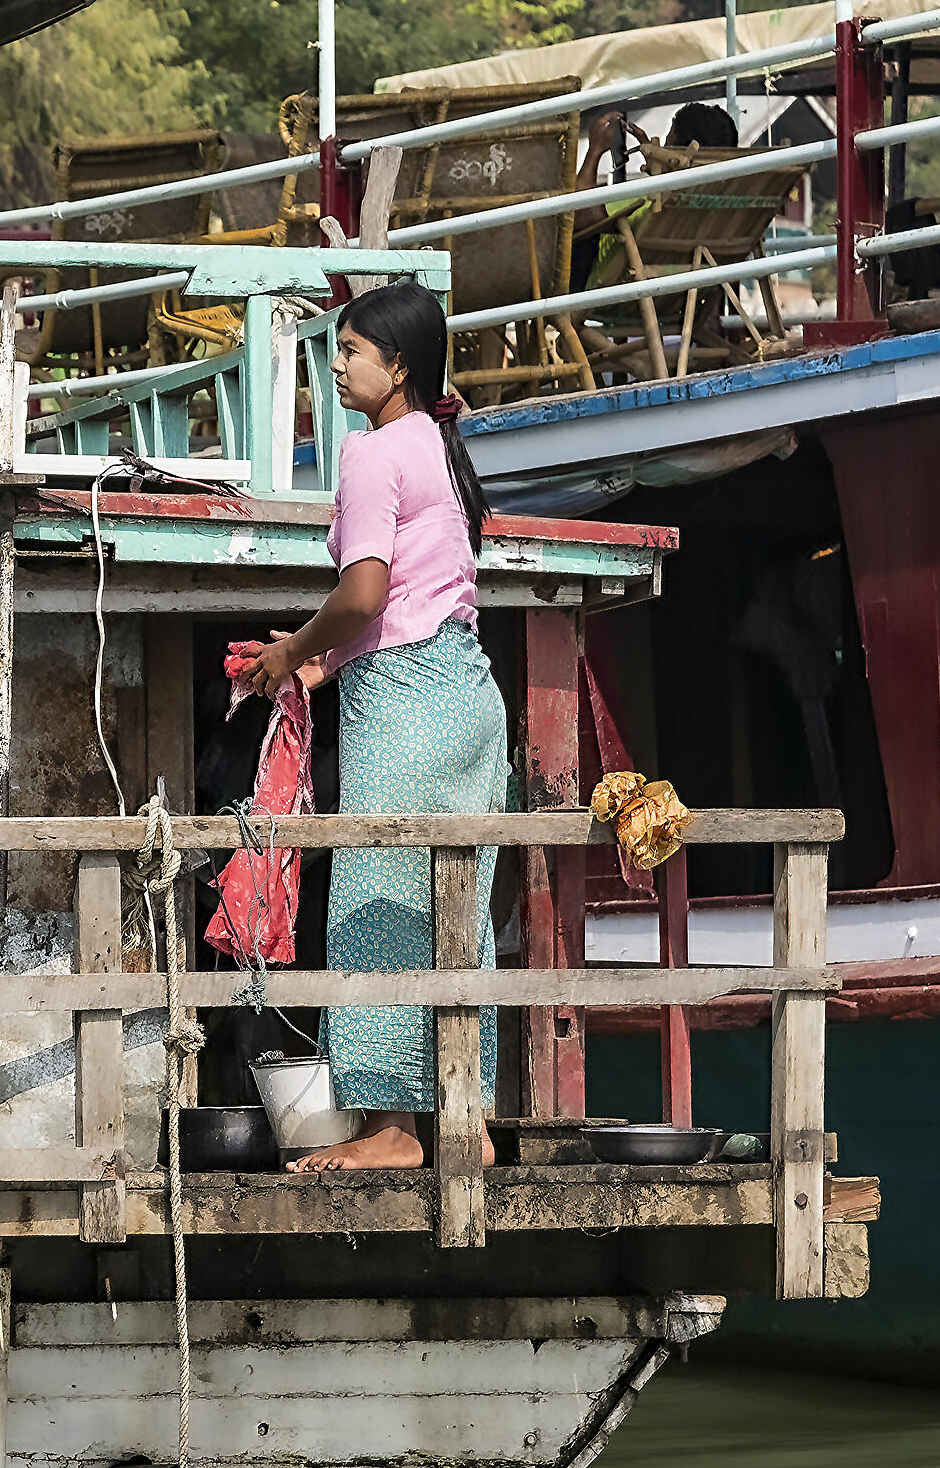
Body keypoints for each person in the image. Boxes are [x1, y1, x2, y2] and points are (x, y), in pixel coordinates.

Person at [232, 281, 504, 1173]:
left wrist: (290, 654)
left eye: (351, 351)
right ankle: (468, 1120)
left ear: (400, 368)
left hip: (407, 704)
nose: (337, 365)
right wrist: (321, 658)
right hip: (468, 695)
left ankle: (392, 1129)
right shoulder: (443, 445)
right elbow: (420, 601)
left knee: (378, 900)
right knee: (455, 909)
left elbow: (365, 595)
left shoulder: (372, 450)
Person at [569, 101, 739, 293]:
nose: (663, 148)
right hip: (683, 297)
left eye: (667, 145)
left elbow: (581, 217)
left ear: (677, 154)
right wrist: (657, 160)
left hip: (618, 290)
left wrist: (595, 150)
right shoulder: (721, 208)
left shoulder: (651, 206)